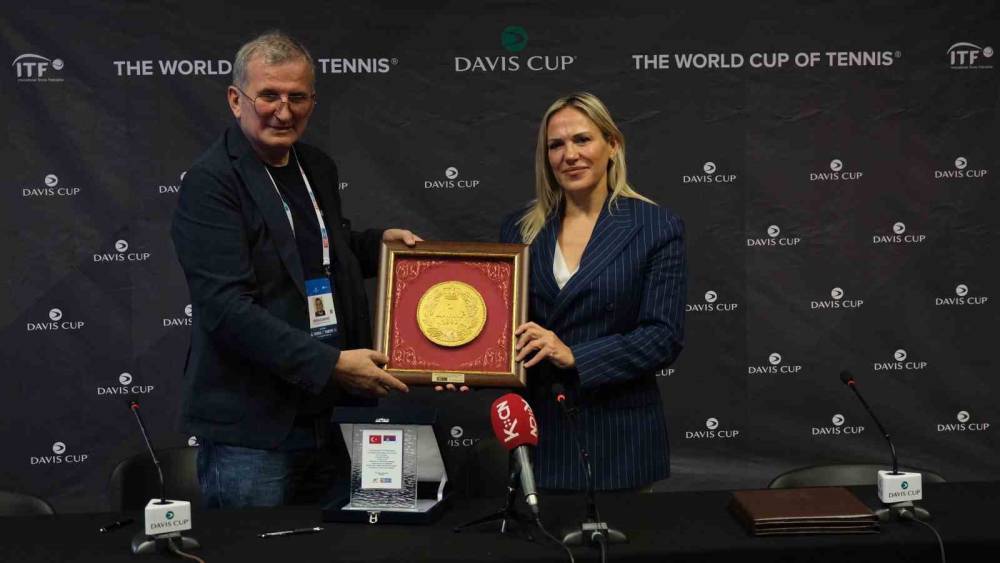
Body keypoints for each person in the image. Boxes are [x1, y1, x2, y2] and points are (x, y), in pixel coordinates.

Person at [171, 31, 417, 508]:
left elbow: (321, 248)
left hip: (327, 413)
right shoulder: (211, 182)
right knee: (255, 543)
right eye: (269, 95)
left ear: (312, 101)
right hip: (254, 427)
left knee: (334, 541)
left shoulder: (316, 166)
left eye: (297, 97)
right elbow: (225, 308)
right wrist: (332, 364)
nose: (284, 112)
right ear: (236, 100)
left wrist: (379, 246)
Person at [498, 92, 687, 491]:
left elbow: (663, 337)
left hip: (620, 440)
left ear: (612, 145)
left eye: (582, 140)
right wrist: (462, 364)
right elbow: (502, 330)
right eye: (556, 145)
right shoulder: (519, 229)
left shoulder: (655, 226)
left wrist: (575, 355)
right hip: (541, 435)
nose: (570, 155)